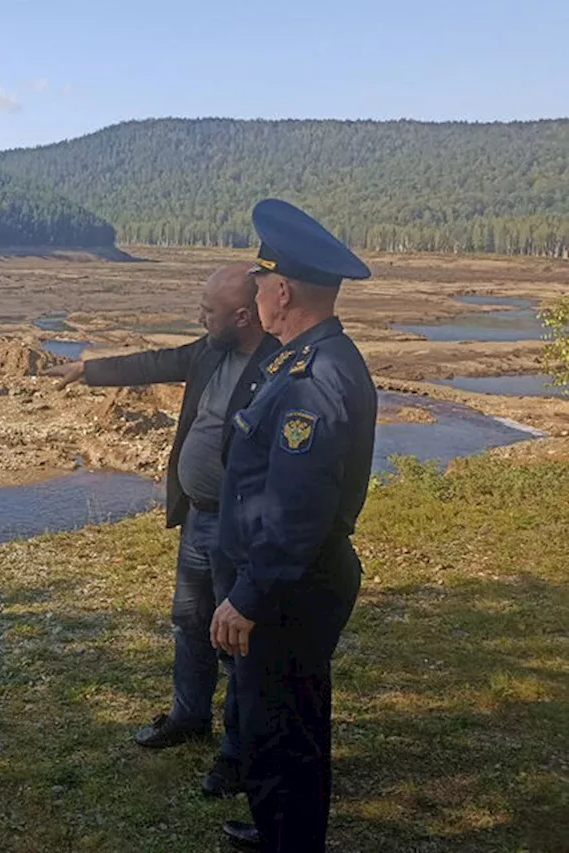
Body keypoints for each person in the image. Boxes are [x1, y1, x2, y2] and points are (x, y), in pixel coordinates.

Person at [44, 264, 279, 797]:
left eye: (209, 311)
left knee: (236, 641)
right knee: (190, 621)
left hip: (239, 526)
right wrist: (89, 370)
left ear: (242, 315)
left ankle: (237, 756)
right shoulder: (210, 350)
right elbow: (158, 362)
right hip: (199, 516)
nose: (200, 318)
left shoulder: (277, 365)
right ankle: (188, 718)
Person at [209, 199, 377, 852]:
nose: (253, 292)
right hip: (286, 581)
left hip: (288, 590)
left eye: (258, 281)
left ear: (281, 290)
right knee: (274, 719)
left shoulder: (313, 377)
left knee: (286, 727)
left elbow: (296, 511)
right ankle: (275, 825)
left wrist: (248, 596)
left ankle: (289, 837)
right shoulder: (297, 358)